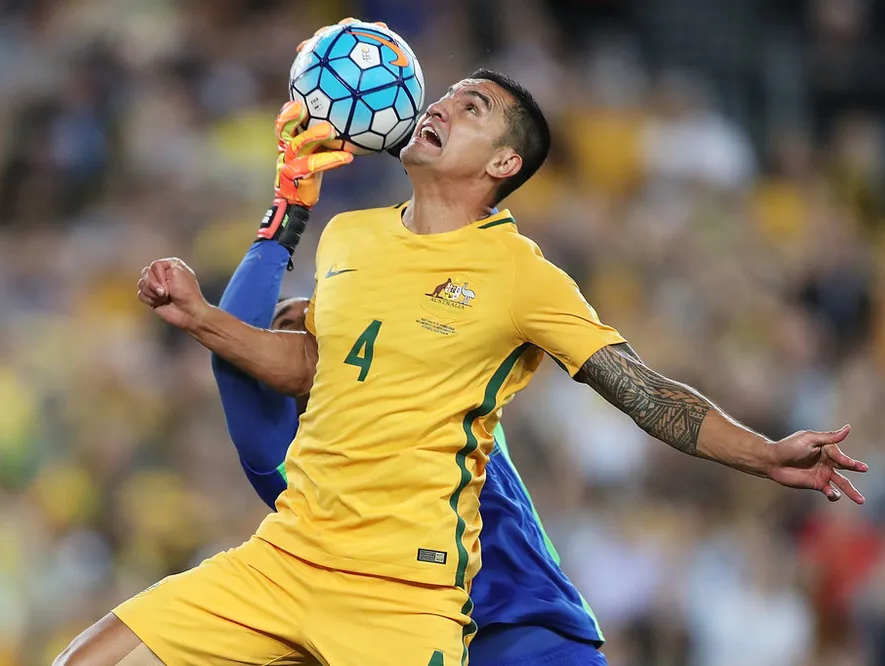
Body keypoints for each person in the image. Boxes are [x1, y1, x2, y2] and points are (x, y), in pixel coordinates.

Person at [57, 63, 868, 666]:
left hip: (403, 598)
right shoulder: (352, 238)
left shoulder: (523, 276)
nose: (440, 104)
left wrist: (766, 453)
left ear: (502, 164)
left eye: (471, 107)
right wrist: (200, 318)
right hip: (285, 557)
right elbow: (310, 369)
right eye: (446, 94)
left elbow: (643, 391)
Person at [212, 230, 608, 664]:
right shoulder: (286, 460)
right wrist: (281, 225)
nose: (302, 336)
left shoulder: (434, 396)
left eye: (313, 322)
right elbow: (232, 354)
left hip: (527, 628)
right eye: (281, 331)